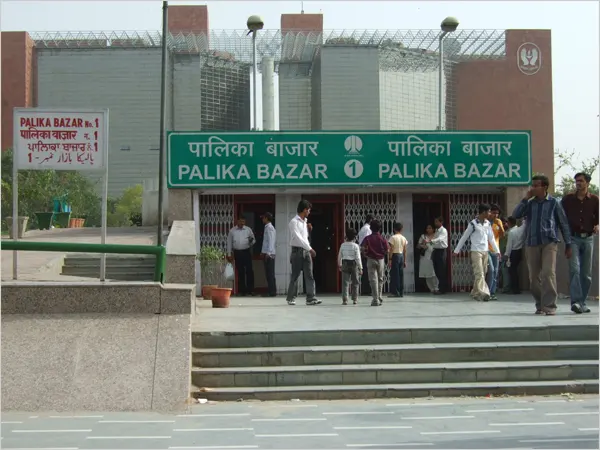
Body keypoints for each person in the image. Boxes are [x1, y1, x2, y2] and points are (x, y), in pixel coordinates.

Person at [512, 174, 572, 316]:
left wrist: (568, 243)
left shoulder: (554, 202)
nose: (533, 188)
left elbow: (563, 223)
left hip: (549, 242)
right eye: (532, 185)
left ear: (544, 187)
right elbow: (516, 214)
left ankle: (550, 306)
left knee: (548, 274)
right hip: (532, 242)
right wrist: (525, 198)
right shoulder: (530, 203)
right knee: (533, 278)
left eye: (536, 185)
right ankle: (540, 304)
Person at [560, 172, 599, 314]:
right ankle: (576, 302)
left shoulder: (595, 200)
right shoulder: (568, 199)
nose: (578, 183)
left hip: (588, 238)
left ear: (587, 183)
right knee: (574, 270)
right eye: (576, 181)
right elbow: (560, 216)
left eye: (581, 181)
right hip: (573, 238)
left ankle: (582, 302)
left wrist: (598, 225)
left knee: (586, 274)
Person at [453, 204, 501, 302]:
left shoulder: (487, 223)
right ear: (483, 212)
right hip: (476, 252)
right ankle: (484, 293)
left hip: (485, 251)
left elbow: (491, 238)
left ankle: (474, 292)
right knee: (479, 274)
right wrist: (456, 250)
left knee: (483, 272)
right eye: (488, 211)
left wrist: (497, 251)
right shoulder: (473, 224)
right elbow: (464, 237)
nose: (490, 213)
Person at [286, 200, 321, 306]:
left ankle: (310, 297)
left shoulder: (305, 222)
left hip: (306, 250)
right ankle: (291, 298)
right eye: (308, 210)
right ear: (304, 210)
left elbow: (305, 238)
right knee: (295, 275)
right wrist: (310, 249)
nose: (309, 212)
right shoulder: (294, 222)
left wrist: (308, 248)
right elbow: (298, 238)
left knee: (309, 274)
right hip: (297, 251)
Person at [361, 220, 389, 307]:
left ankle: (375, 299)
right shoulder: (382, 238)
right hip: (380, 260)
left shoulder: (367, 238)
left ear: (370, 228)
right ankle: (379, 296)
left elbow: (362, 248)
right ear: (380, 228)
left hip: (371, 259)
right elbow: (387, 250)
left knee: (373, 280)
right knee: (380, 279)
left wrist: (365, 254)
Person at [226, 217, 256, 296]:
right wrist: (229, 254)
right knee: (240, 271)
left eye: (244, 222)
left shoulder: (248, 230)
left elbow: (254, 241)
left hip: (246, 252)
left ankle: (251, 290)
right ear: (237, 221)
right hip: (237, 253)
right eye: (241, 221)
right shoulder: (232, 231)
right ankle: (243, 290)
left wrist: (251, 241)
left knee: (249, 271)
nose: (242, 223)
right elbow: (229, 243)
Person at [337, 228, 363, 305]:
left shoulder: (343, 245)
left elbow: (339, 256)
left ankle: (345, 300)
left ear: (346, 236)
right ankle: (355, 299)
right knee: (355, 282)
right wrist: (360, 267)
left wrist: (340, 264)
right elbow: (358, 257)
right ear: (355, 237)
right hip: (354, 264)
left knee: (345, 283)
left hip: (345, 263)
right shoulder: (356, 246)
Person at [485, 204, 505, 301]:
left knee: (496, 272)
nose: (495, 215)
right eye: (493, 213)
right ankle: (487, 291)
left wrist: (500, 226)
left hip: (496, 250)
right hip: (487, 249)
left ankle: (493, 292)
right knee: (491, 270)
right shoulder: (486, 222)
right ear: (489, 213)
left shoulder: (499, 222)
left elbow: (502, 235)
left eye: (497, 213)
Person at [503, 216, 525, 295]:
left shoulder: (511, 232)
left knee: (512, 271)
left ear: (509, 223)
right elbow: (524, 224)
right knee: (515, 270)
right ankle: (516, 289)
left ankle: (514, 289)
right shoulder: (520, 230)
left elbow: (509, 245)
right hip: (520, 252)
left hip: (513, 252)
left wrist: (506, 255)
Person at [388, 222, 408, 298]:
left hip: (395, 256)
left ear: (394, 229)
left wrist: (390, 259)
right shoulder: (403, 238)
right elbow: (405, 250)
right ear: (401, 229)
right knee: (401, 274)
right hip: (401, 256)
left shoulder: (393, 238)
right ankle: (401, 292)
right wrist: (405, 260)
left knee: (395, 274)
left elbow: (391, 249)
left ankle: (395, 292)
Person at [430, 216, 449, 294]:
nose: (435, 223)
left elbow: (440, 239)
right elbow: (434, 240)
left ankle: (443, 289)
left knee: (441, 270)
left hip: (441, 251)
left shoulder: (443, 230)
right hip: (436, 251)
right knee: (436, 270)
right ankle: (440, 287)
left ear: (441, 222)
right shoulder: (437, 231)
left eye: (437, 222)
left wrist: (432, 241)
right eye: (435, 222)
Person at [417, 224, 439, 293]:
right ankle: (431, 289)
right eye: (427, 228)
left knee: (434, 272)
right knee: (427, 273)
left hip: (433, 255)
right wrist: (422, 244)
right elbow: (418, 246)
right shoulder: (423, 236)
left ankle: (436, 287)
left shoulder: (436, 236)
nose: (428, 230)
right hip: (425, 256)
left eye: (430, 228)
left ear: (433, 229)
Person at [260, 212, 277, 297]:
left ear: (266, 218)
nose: (262, 219)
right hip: (267, 253)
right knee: (268, 273)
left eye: (263, 218)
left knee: (270, 273)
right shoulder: (267, 227)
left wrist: (268, 253)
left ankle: (272, 292)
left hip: (269, 254)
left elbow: (271, 241)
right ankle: (271, 291)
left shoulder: (269, 228)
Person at [358, 214, 374, 296]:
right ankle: (366, 290)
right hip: (366, 252)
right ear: (371, 220)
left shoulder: (363, 228)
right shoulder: (367, 229)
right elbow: (367, 241)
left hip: (363, 251)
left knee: (366, 271)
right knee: (368, 272)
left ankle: (365, 290)